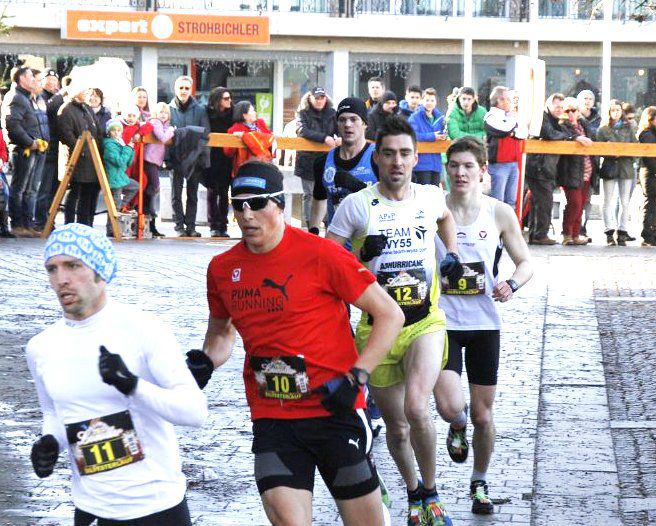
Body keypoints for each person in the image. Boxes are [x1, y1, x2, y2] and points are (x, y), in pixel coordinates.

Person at [187, 161, 405, 526]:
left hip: (335, 409)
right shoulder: (223, 269)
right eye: (238, 204)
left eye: (257, 203)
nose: (246, 214)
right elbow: (222, 333)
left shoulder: (322, 254)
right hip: (274, 416)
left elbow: (390, 315)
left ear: (280, 205)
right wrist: (207, 361)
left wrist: (357, 377)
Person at [327, 116, 462, 526]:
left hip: (425, 321)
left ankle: (434, 491)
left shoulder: (429, 196)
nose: (397, 162)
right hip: (377, 330)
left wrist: (450, 254)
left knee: (418, 406)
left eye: (405, 154)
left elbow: (445, 220)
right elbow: (328, 261)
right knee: (398, 429)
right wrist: (359, 255)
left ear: (415, 158)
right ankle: (414, 492)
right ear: (377, 157)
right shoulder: (356, 206)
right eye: (389, 154)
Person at [27, 223, 207, 525]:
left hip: (157, 507)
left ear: (99, 270)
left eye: (73, 265)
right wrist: (50, 442)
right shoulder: (41, 347)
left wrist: (133, 386)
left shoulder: (144, 330)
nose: (62, 279)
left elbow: (195, 412)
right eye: (52, 269)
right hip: (91, 510)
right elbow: (55, 412)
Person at [433, 136, 533, 516]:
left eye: (468, 166)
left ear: (483, 171)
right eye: (454, 165)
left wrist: (512, 283)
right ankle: (455, 424)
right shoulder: (432, 209)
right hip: (441, 321)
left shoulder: (499, 212)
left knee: (484, 415)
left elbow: (525, 262)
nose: (460, 172)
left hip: (484, 324)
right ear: (447, 169)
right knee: (448, 405)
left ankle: (479, 481)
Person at [310, 97, 378, 232]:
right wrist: (313, 231)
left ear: (364, 124)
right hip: (338, 245)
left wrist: (357, 186)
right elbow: (319, 199)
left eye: (353, 119)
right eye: (342, 120)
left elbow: (391, 202)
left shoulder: (378, 157)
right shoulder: (323, 162)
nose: (347, 124)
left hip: (374, 242)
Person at [5, 66, 45, 237]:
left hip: (37, 148)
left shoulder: (28, 97)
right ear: (21, 78)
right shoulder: (17, 97)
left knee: (31, 189)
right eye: (30, 76)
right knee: (20, 188)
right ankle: (18, 224)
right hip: (24, 149)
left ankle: (28, 224)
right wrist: (30, 142)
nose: (33, 80)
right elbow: (12, 125)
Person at [525, 93, 569, 245]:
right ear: (548, 105)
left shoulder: (557, 121)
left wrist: (564, 135)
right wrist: (565, 135)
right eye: (557, 106)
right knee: (544, 202)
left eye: (561, 107)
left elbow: (563, 134)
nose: (559, 110)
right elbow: (549, 134)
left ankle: (536, 234)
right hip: (539, 166)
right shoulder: (542, 118)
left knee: (539, 202)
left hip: (545, 167)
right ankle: (539, 234)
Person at [169, 75, 210, 237]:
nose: (184, 91)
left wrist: (198, 156)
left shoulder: (200, 109)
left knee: (192, 195)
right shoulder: (169, 108)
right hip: (175, 157)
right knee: (175, 195)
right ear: (175, 89)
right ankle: (179, 226)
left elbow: (205, 133)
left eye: (187, 88)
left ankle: (191, 226)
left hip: (194, 158)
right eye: (181, 88)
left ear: (191, 89)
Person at [58, 82, 103, 227]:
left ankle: (86, 224)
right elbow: (66, 134)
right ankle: (70, 224)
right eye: (84, 90)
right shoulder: (66, 109)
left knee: (88, 192)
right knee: (75, 192)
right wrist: (81, 150)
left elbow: (97, 132)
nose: (87, 94)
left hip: (92, 159)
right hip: (76, 158)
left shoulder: (87, 108)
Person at [295, 86, 338, 228]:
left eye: (322, 97)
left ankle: (327, 223)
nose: (319, 101)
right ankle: (310, 226)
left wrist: (340, 139)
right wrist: (324, 138)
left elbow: (341, 130)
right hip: (307, 160)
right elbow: (302, 131)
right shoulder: (303, 113)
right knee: (309, 195)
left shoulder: (333, 113)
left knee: (328, 193)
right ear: (310, 98)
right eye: (316, 98)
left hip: (327, 160)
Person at [596, 99, 638, 246]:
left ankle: (622, 231)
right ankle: (609, 231)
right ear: (608, 112)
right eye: (613, 110)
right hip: (609, 166)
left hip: (625, 167)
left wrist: (625, 152)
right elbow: (597, 149)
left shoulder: (629, 128)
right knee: (608, 199)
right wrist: (609, 151)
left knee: (625, 201)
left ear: (622, 112)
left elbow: (636, 147)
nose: (615, 112)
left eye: (618, 110)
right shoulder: (603, 130)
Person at [483, 86, 528, 211]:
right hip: (499, 164)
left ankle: (508, 229)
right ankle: (495, 230)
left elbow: (523, 133)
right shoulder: (490, 116)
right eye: (509, 99)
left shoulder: (510, 116)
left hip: (513, 163)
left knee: (511, 201)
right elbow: (504, 129)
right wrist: (513, 124)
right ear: (500, 100)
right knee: (497, 202)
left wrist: (512, 129)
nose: (511, 103)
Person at [557, 97, 594, 245]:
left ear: (578, 111)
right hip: (570, 170)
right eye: (568, 110)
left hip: (587, 170)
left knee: (582, 203)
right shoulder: (562, 125)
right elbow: (562, 137)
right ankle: (567, 234)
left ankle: (576, 234)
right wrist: (575, 137)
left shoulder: (584, 124)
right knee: (575, 203)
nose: (571, 113)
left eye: (574, 110)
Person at [204, 86, 234, 238]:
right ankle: (213, 225)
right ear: (218, 100)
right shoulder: (208, 113)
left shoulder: (233, 113)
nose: (229, 101)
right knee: (212, 191)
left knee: (224, 192)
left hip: (227, 158)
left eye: (230, 98)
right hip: (211, 157)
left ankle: (223, 224)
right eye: (226, 98)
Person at [34, 70, 61, 231]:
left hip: (58, 148)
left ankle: (49, 219)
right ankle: (40, 220)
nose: (52, 83)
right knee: (43, 187)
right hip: (46, 148)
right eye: (48, 79)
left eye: (54, 80)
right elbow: (47, 109)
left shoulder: (57, 97)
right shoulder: (41, 96)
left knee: (55, 188)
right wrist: (60, 96)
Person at [144, 102, 175, 237]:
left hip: (155, 160)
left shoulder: (165, 125)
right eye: (160, 112)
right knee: (155, 186)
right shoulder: (156, 122)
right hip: (150, 159)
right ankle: (147, 208)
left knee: (154, 187)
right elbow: (162, 137)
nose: (163, 115)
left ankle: (149, 213)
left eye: (165, 112)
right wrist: (172, 130)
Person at [102, 119, 138, 236]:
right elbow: (120, 161)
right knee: (115, 203)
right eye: (114, 131)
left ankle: (121, 207)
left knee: (135, 186)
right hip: (114, 178)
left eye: (119, 130)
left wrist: (130, 149)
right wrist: (128, 149)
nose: (117, 133)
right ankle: (111, 229)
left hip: (120, 176)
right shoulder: (109, 145)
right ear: (109, 132)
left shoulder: (120, 143)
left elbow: (128, 163)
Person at [225, 100, 273, 178]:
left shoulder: (260, 122)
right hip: (244, 167)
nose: (255, 112)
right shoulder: (234, 129)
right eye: (252, 111)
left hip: (263, 163)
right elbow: (228, 153)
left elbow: (269, 136)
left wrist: (245, 136)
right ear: (244, 115)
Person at [408, 87, 446, 186]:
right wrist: (432, 136)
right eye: (427, 100)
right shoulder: (415, 117)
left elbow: (442, 135)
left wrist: (443, 136)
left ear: (436, 102)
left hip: (436, 164)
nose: (429, 103)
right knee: (423, 195)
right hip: (421, 164)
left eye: (432, 100)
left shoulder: (440, 117)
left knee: (434, 194)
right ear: (422, 101)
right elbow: (412, 135)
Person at [637, 106, 656, 247]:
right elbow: (650, 158)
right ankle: (648, 235)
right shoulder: (647, 133)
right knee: (650, 204)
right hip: (650, 173)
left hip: (651, 172)